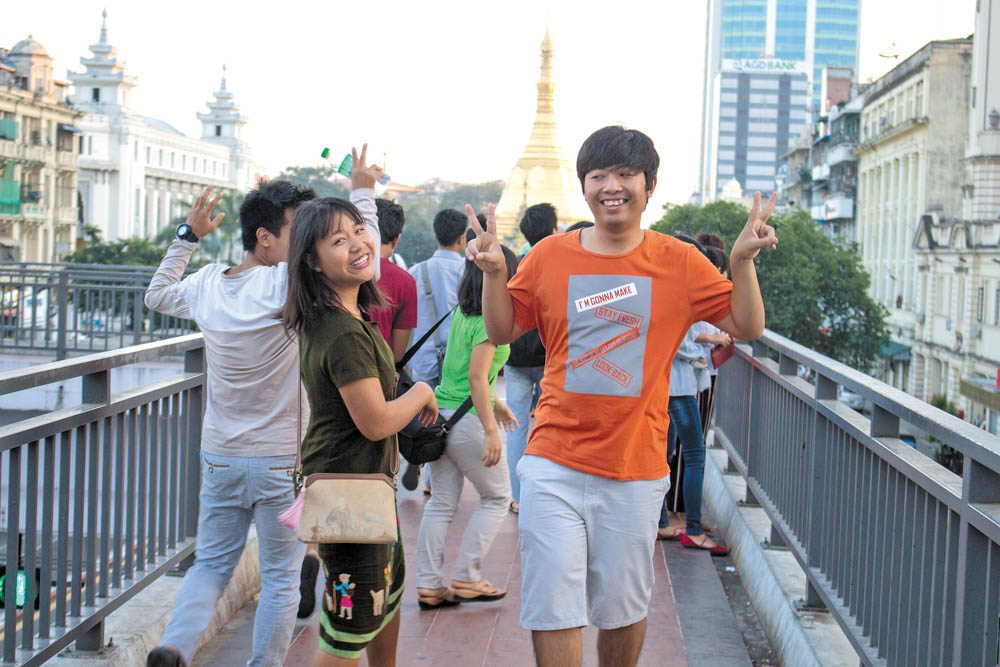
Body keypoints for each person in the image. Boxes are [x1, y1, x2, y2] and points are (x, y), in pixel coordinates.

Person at [465, 125, 777, 666]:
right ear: (583, 185)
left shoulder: (678, 261)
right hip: (552, 460)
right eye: (598, 175)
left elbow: (746, 325)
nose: (612, 186)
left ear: (649, 185)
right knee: (553, 606)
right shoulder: (548, 257)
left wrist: (743, 263)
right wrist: (496, 273)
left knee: (621, 609)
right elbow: (499, 330)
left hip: (634, 466)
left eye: (626, 174)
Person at [144, 148, 384, 667]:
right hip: (282, 461)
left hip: (220, 455)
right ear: (265, 237)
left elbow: (157, 296)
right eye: (297, 233)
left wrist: (188, 237)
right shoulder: (288, 285)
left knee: (210, 564)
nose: (306, 246)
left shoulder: (208, 283)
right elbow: (365, 257)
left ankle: (173, 647)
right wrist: (363, 192)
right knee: (279, 579)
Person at [282, 196, 438, 666]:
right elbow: (375, 423)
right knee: (349, 625)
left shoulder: (348, 316)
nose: (357, 244)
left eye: (358, 230)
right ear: (311, 261)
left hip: (363, 484)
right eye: (338, 240)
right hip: (348, 488)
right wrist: (422, 391)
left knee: (383, 594)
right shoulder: (343, 331)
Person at [414, 246, 520, 609]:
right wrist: (491, 430)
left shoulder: (461, 312)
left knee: (441, 503)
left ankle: (429, 584)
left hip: (442, 414)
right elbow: (476, 379)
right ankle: (468, 576)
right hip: (468, 423)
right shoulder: (489, 323)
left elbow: (467, 375)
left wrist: (497, 403)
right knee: (497, 497)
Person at [401, 209, 468, 491]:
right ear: (463, 239)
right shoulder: (468, 271)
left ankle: (417, 457)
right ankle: (434, 480)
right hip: (457, 359)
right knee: (450, 416)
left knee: (426, 414)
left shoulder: (416, 271)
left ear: (435, 235)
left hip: (425, 358)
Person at [504, 203, 558, 512]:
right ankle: (545, 495)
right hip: (548, 357)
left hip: (515, 358)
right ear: (554, 230)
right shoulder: (560, 264)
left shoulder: (518, 264)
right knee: (550, 425)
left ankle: (518, 496)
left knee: (516, 426)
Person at [373, 198, 417, 361]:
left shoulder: (339, 271)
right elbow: (397, 354)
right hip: (379, 373)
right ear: (397, 239)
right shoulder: (406, 282)